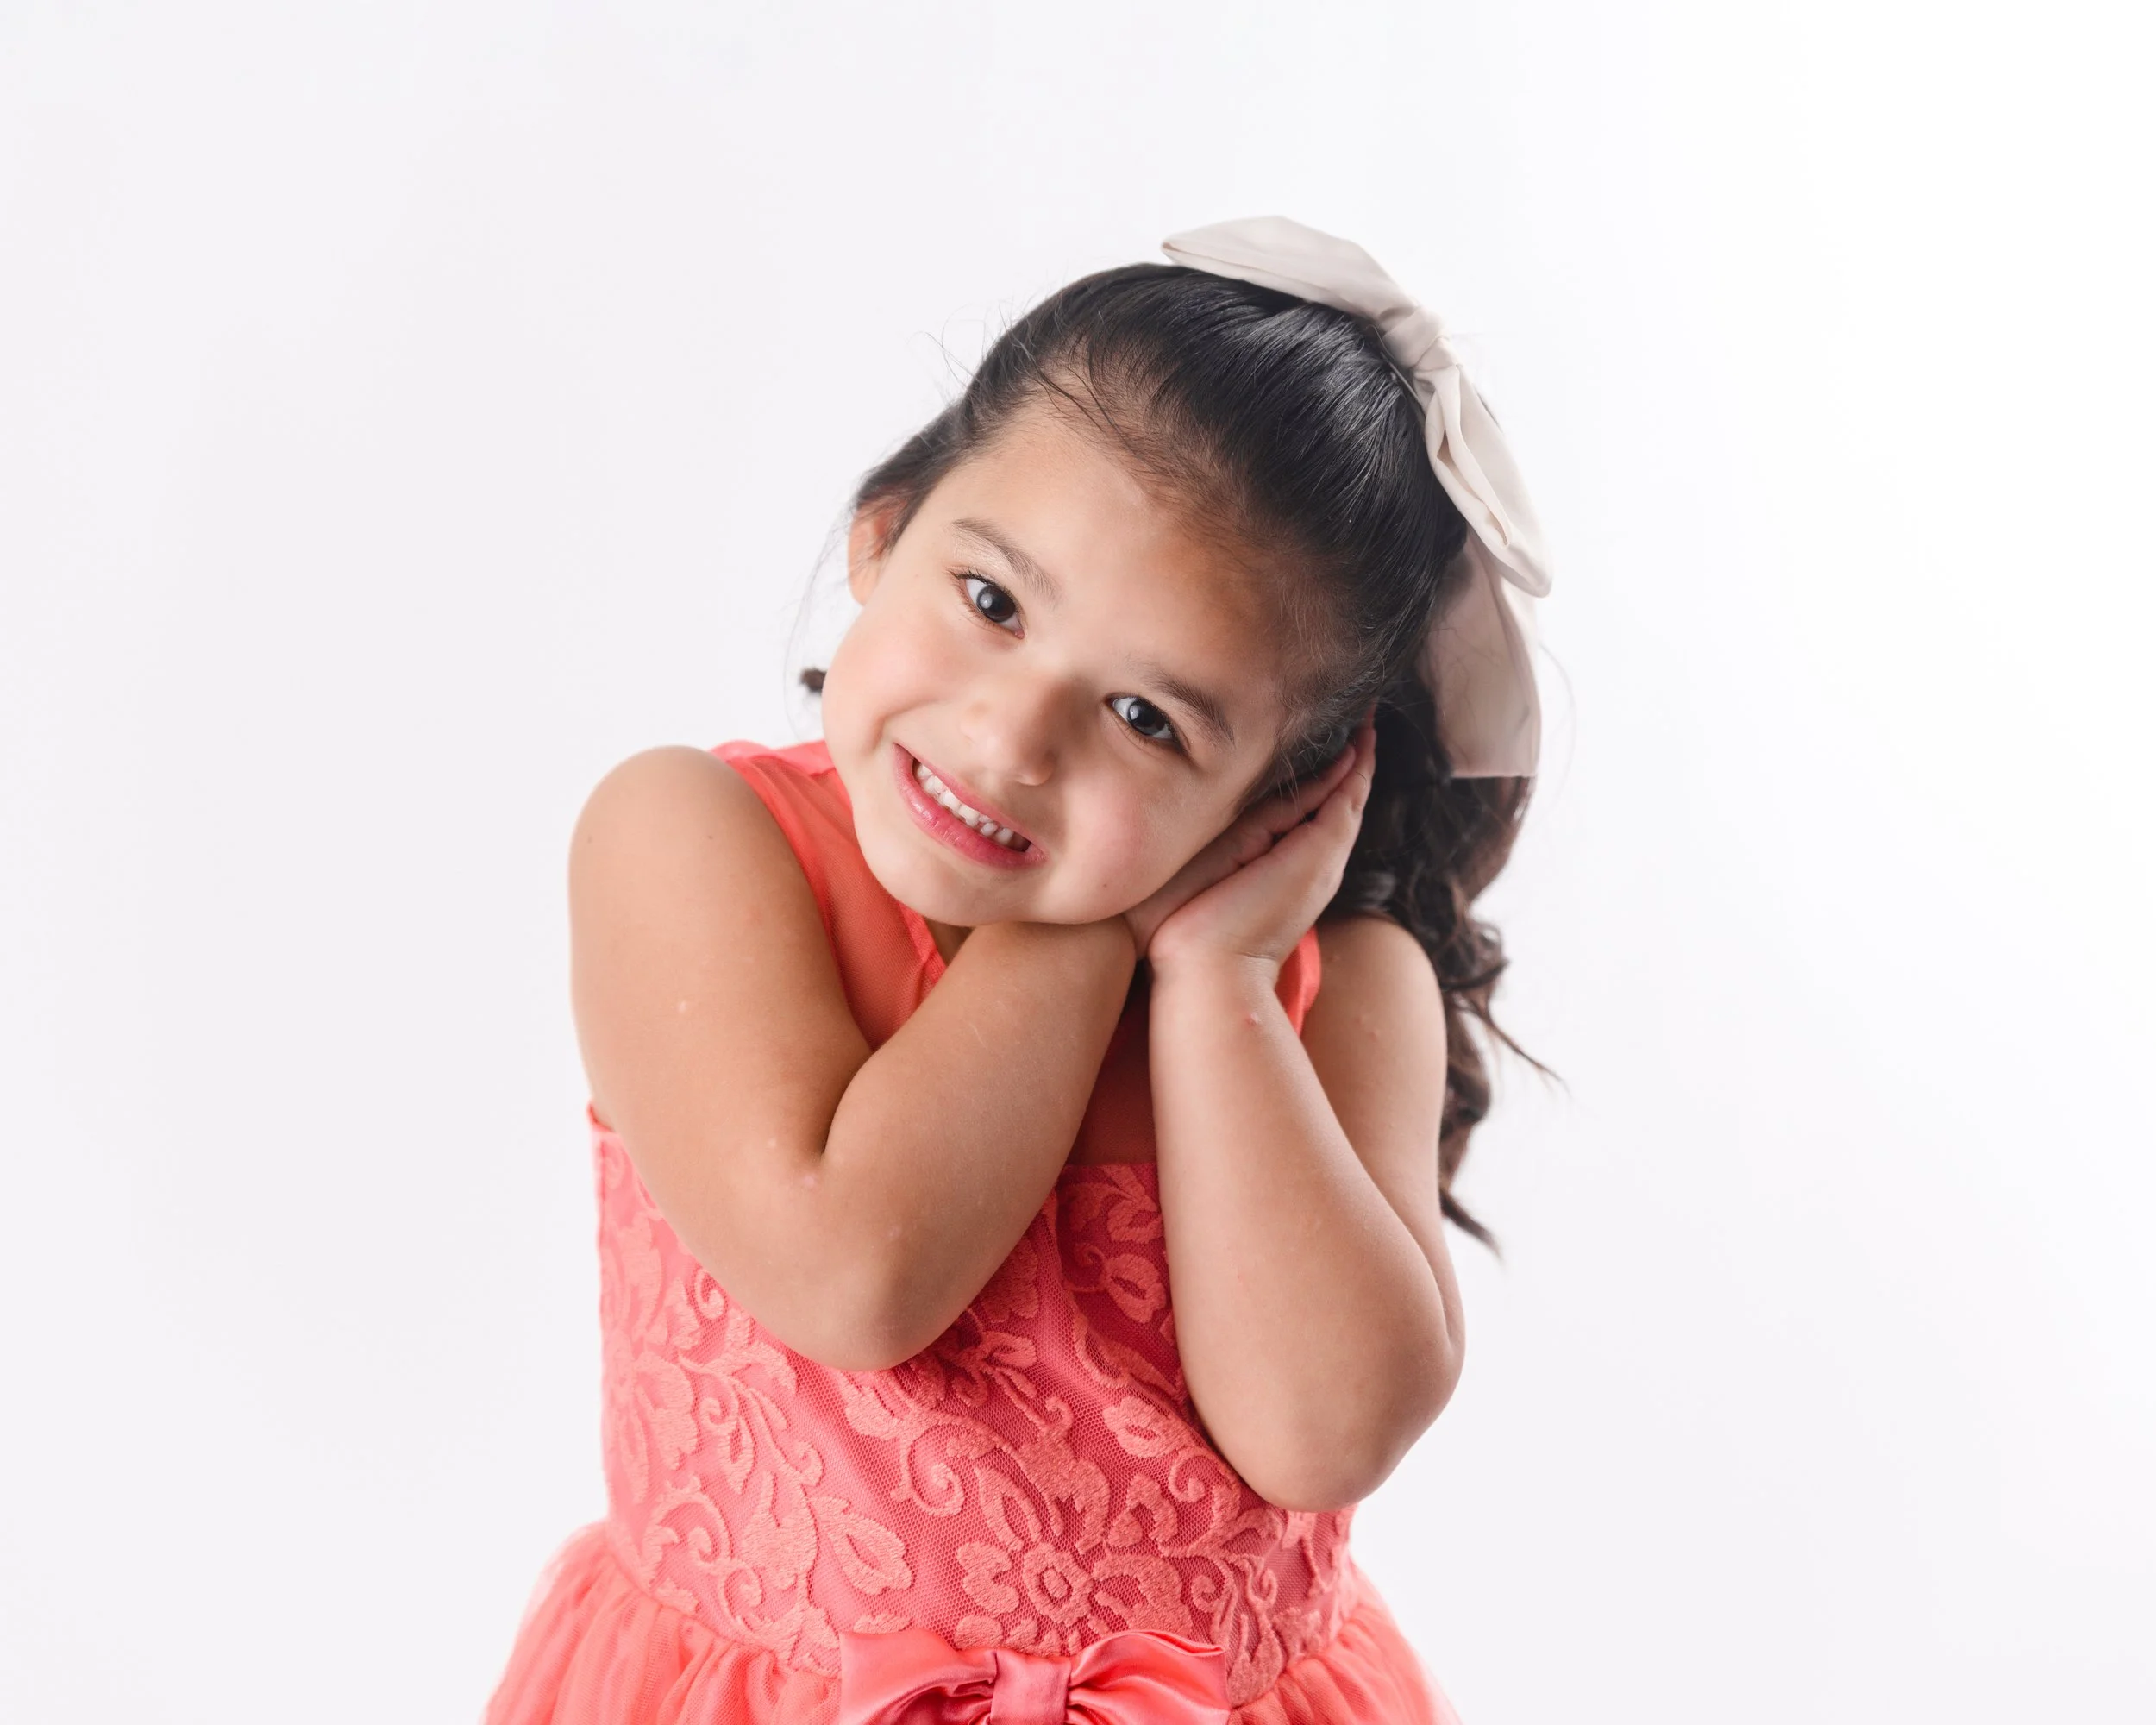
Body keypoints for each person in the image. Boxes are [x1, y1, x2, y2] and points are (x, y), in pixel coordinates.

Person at [484, 217, 1555, 1725]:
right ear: (885, 527)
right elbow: (856, 1275)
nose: (1008, 742)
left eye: (1147, 719)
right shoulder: (696, 842)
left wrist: (1222, 994)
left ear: (1279, 798)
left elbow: (1323, 1432)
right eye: (991, 603)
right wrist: (1096, 926)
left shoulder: (1336, 986)